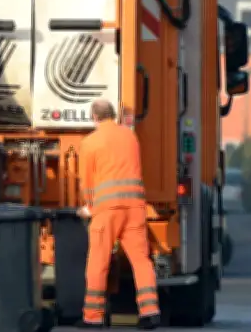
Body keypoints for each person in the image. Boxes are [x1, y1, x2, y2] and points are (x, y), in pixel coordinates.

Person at [77, 99, 161, 330]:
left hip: (107, 210)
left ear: (94, 117)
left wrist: (88, 207)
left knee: (98, 261)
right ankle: (150, 311)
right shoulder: (130, 137)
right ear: (112, 115)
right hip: (134, 207)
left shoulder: (90, 143)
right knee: (141, 260)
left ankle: (93, 317)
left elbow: (88, 183)